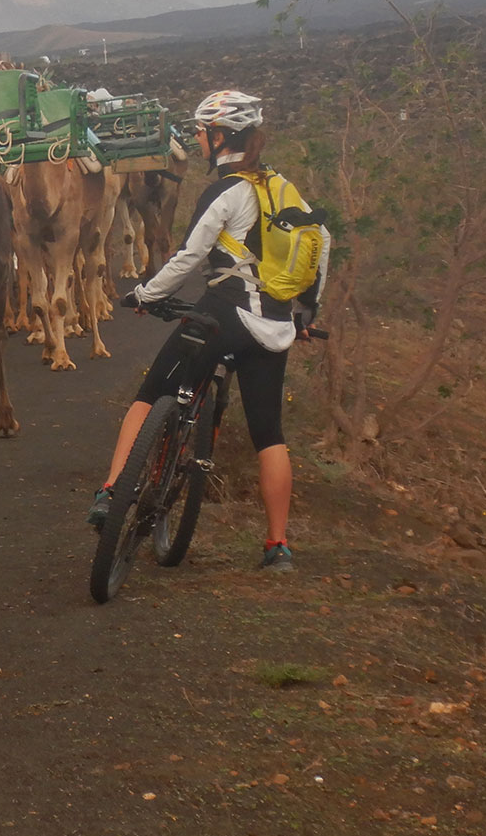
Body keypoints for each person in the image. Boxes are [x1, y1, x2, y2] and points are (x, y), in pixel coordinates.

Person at [85, 90, 329, 571]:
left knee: (150, 392)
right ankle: (277, 546)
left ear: (220, 137)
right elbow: (319, 248)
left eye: (200, 131)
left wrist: (147, 295)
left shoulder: (226, 190)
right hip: (275, 326)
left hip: (224, 314)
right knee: (269, 433)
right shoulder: (285, 188)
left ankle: (112, 491)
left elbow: (189, 256)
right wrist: (306, 314)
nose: (196, 138)